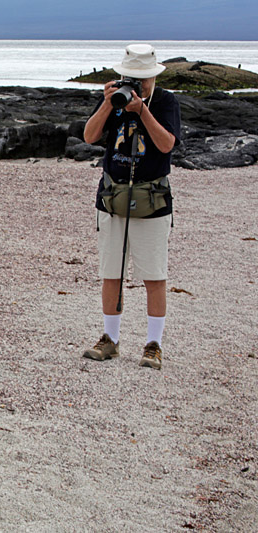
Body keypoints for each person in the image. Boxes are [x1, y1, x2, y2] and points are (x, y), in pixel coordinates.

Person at [82, 44, 181, 370]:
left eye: (143, 79)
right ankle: (110, 340)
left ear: (153, 76)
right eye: (131, 78)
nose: (137, 85)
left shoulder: (166, 102)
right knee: (112, 273)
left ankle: (153, 345)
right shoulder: (115, 100)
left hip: (152, 202)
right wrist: (108, 105)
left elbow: (167, 144)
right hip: (112, 199)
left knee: (154, 275)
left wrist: (143, 112)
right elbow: (90, 136)